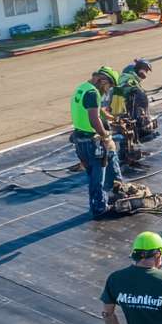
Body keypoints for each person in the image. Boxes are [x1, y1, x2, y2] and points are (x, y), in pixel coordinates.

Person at [71, 66, 123, 217]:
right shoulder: (93, 93)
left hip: (80, 140)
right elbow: (94, 120)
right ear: (102, 80)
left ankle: (116, 192)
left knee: (96, 171)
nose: (108, 90)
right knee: (97, 177)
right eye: (109, 86)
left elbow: (96, 111)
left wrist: (111, 118)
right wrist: (105, 135)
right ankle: (100, 208)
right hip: (91, 141)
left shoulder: (83, 88)